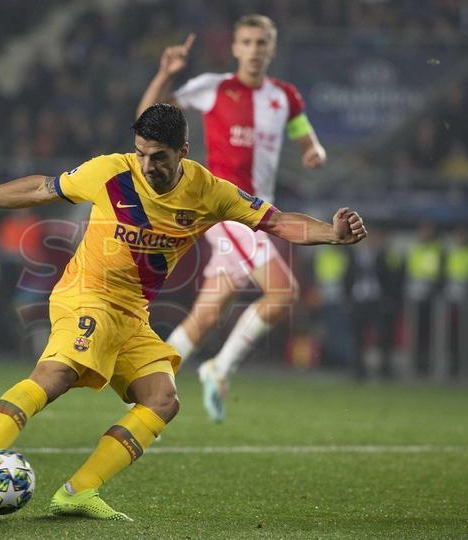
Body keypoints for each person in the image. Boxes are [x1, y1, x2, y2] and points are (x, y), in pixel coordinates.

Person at [0, 104, 366, 521]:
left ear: (183, 152)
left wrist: (331, 233)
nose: (146, 165)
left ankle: (78, 491)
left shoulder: (209, 192)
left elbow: (275, 220)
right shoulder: (110, 171)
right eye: (141, 153)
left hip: (131, 313)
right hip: (87, 295)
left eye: (158, 157)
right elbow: (44, 188)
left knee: (163, 399)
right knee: (57, 373)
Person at [137, 14, 327, 421]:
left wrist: (314, 151)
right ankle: (219, 368)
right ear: (235, 48)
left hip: (259, 213)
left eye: (262, 42)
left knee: (207, 312)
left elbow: (307, 136)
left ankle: (152, 374)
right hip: (226, 208)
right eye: (247, 42)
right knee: (283, 292)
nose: (255, 50)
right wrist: (164, 74)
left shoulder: (285, 97)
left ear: (271, 48)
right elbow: (149, 117)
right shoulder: (213, 87)